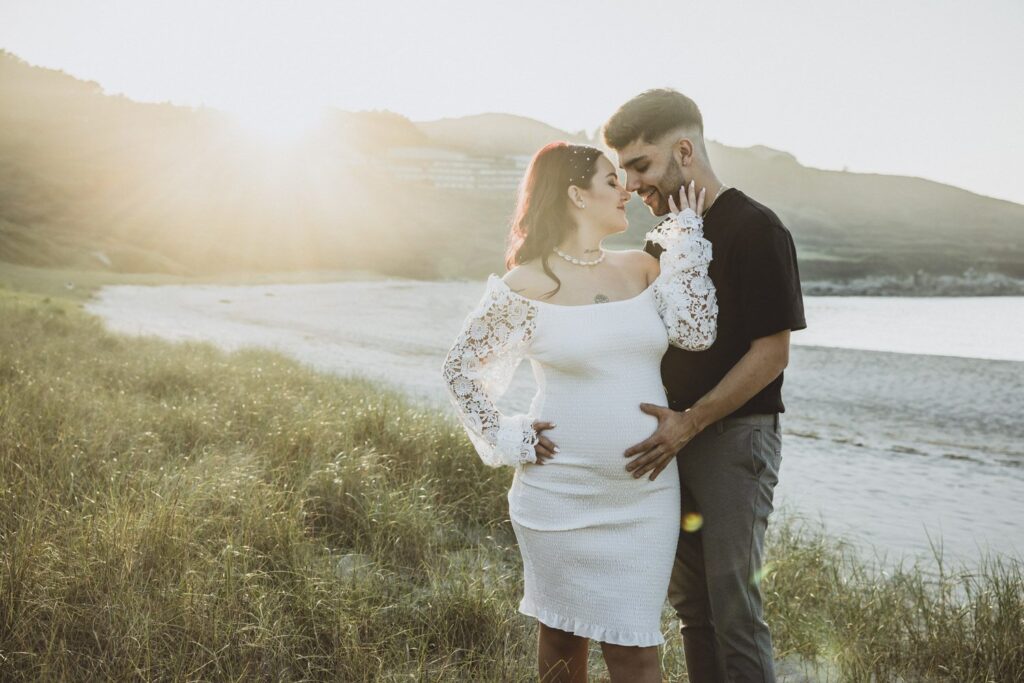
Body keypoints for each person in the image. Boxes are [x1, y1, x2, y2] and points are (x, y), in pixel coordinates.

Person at [441, 141, 718, 682]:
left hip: (643, 498)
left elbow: (696, 332)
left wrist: (685, 238)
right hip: (558, 495)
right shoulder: (526, 285)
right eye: (611, 181)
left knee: (636, 648)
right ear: (575, 195)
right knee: (563, 645)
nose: (627, 191)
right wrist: (511, 435)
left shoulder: (641, 267)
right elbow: (460, 371)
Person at [603, 88, 807, 683]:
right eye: (624, 173)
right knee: (693, 611)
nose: (634, 185)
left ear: (684, 150)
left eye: (641, 166)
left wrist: (690, 422)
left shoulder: (756, 227)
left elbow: (771, 355)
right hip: (669, 443)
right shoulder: (663, 239)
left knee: (735, 610)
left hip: (734, 441)